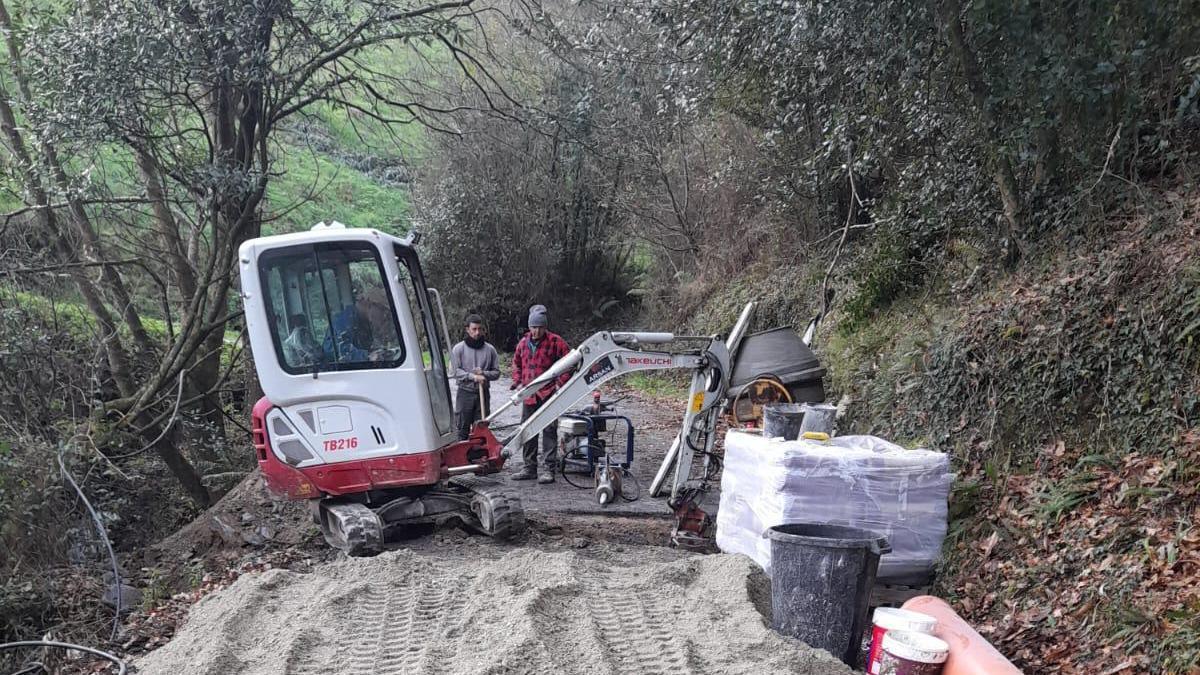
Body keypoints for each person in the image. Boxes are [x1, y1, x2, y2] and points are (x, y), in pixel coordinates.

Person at [509, 304, 571, 483]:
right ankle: (529, 467)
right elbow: (516, 364)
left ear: (545, 327)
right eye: (534, 327)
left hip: (548, 393)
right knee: (527, 429)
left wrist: (560, 383)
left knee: (549, 430)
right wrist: (518, 382)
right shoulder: (523, 343)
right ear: (529, 327)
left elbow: (570, 363)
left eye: (540, 327)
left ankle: (548, 469)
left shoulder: (555, 342)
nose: (537, 331)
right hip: (529, 394)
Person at [451, 314, 500, 440]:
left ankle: (478, 457)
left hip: (483, 394)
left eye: (479, 329)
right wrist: (473, 377)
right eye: (474, 329)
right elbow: (455, 371)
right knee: (462, 428)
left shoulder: (490, 350)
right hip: (465, 393)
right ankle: (462, 457)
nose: (477, 332)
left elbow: (496, 373)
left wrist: (484, 374)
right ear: (467, 329)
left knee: (481, 429)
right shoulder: (458, 349)